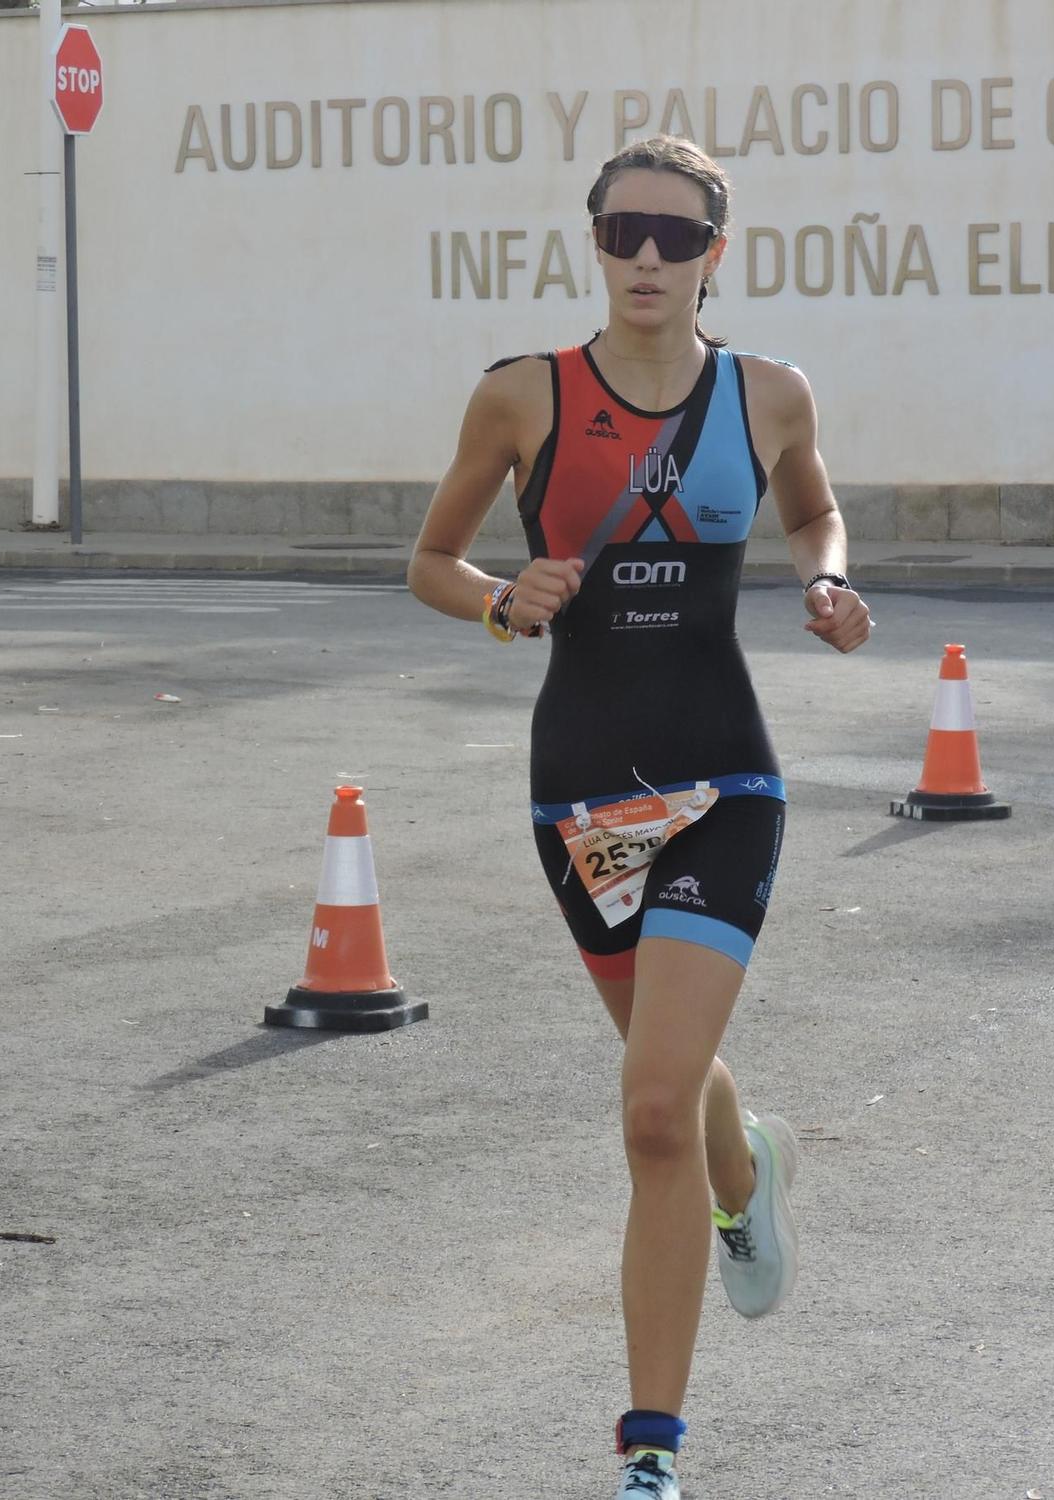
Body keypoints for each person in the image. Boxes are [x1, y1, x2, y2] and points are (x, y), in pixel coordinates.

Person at [407, 134, 871, 1499]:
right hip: (584, 794)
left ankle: (649, 1457)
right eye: (626, 234)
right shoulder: (521, 398)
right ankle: (752, 1173)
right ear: (594, 240)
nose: (650, 260)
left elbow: (814, 512)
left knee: (653, 1107)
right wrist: (499, 599)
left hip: (728, 778)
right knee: (678, 1098)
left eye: (678, 236)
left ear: (718, 250)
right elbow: (431, 559)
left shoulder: (770, 394)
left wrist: (828, 582)